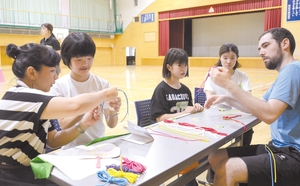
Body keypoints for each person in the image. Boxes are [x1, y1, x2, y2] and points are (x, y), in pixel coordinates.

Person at [0, 43, 119, 185]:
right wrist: (104, 94)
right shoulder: (27, 97)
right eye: (52, 71)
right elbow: (75, 106)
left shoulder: (36, 100)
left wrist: (83, 124)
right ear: (32, 73)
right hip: (12, 176)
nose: (56, 77)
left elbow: (53, 140)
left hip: (27, 170)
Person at [204, 27, 300, 186]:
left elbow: (269, 115)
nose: (261, 52)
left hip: (294, 154)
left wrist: (228, 84)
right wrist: (227, 99)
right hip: (277, 147)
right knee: (216, 157)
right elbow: (259, 105)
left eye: (266, 45)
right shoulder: (283, 75)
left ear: (285, 44)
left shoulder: (293, 69)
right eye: (259, 48)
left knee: (229, 168)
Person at [49, 32, 121, 150]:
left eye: (89, 58)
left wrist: (113, 111)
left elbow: (112, 124)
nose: (85, 64)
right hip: (71, 149)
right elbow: (62, 125)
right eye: (79, 59)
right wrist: (86, 105)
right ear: (68, 60)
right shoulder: (58, 86)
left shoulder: (102, 84)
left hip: (98, 147)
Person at [149, 48, 204, 186]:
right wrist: (184, 112)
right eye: (179, 65)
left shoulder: (185, 90)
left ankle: (190, 178)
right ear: (169, 67)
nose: (183, 68)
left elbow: (188, 113)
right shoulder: (161, 89)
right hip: (165, 138)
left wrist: (196, 109)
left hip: (182, 135)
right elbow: (159, 118)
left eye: (185, 65)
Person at [203, 43, 254, 183]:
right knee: (214, 140)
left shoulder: (242, 76)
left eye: (232, 57)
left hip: (239, 115)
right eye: (225, 57)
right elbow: (210, 98)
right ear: (220, 58)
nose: (229, 61)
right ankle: (212, 173)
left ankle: (239, 166)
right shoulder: (212, 75)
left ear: (237, 58)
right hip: (217, 117)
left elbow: (248, 98)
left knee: (248, 132)